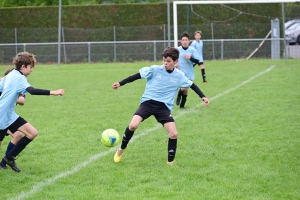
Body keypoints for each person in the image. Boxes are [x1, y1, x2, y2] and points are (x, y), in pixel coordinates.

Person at [112, 47, 209, 165]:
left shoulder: (179, 75)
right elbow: (137, 76)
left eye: (168, 61)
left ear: (175, 62)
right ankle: (121, 149)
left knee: (173, 134)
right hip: (148, 102)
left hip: (163, 107)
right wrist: (120, 83)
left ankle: (170, 161)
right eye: (164, 60)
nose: (165, 63)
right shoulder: (155, 70)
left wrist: (203, 97)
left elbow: (192, 85)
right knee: (133, 125)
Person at [0, 52, 65, 172]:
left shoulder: (10, 75)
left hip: (10, 116)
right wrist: (54, 92)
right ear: (23, 66)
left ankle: (9, 157)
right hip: (1, 116)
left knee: (32, 132)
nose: (32, 70)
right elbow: (32, 91)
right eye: (31, 67)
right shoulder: (20, 78)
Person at [0, 67, 25, 170]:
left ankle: (4, 161)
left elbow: (22, 101)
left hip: (9, 118)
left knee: (18, 134)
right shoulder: (4, 86)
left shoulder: (19, 88)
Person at [175, 32, 202, 109]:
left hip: (189, 73)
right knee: (184, 88)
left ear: (189, 41)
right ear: (181, 41)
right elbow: (172, 59)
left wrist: (190, 58)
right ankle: (181, 102)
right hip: (180, 73)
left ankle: (181, 104)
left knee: (185, 90)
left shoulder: (192, 50)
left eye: (186, 40)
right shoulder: (177, 50)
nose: (185, 41)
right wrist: (175, 65)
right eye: (183, 40)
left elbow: (198, 61)